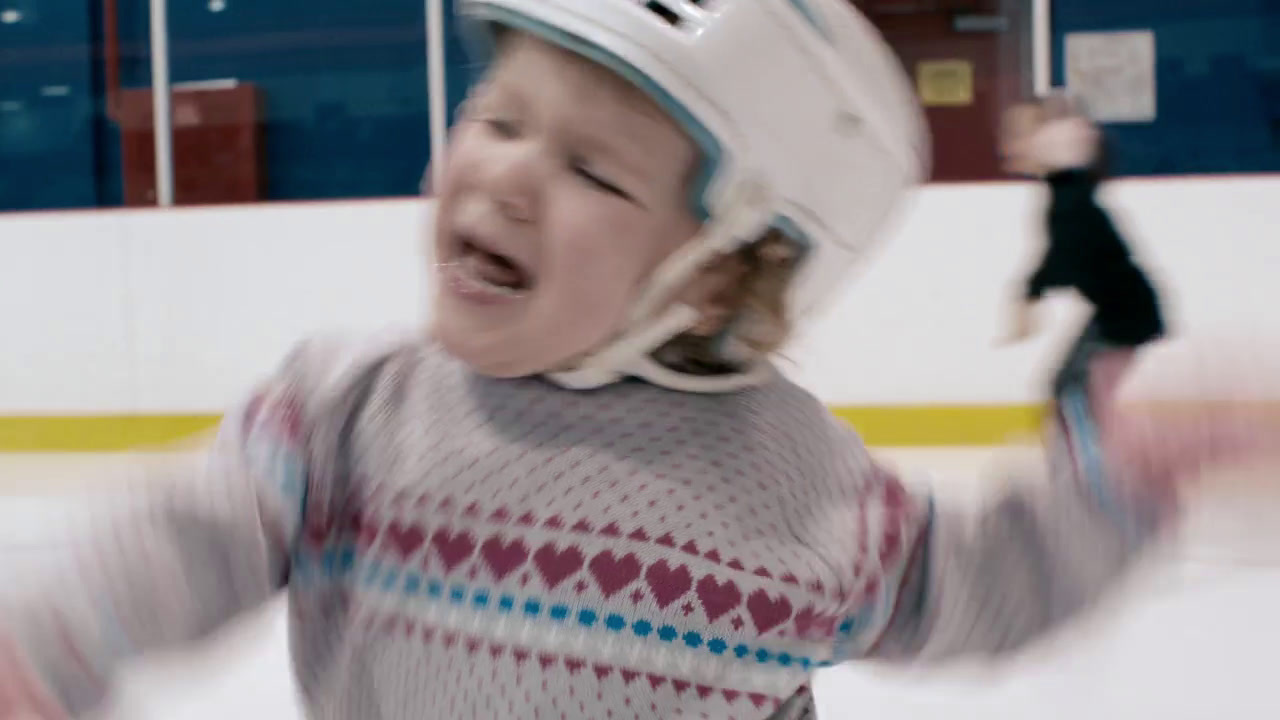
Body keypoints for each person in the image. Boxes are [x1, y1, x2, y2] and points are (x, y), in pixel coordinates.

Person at [1, 2, 1270, 719]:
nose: (503, 171)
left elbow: (976, 581)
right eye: (496, 118)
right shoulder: (348, 411)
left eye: (592, 168)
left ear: (722, 269)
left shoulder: (789, 481)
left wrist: (1114, 485)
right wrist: (45, 643)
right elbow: (184, 535)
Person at [999, 92, 1166, 416]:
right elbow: (1062, 257)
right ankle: (1093, 459)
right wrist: (1031, 294)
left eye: (1021, 137)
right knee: (1072, 388)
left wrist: (1029, 296)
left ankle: (1093, 466)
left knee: (1070, 390)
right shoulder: (1069, 193)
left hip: (1126, 316)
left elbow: (1064, 259)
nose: (1012, 147)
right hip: (1121, 312)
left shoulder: (1069, 198)